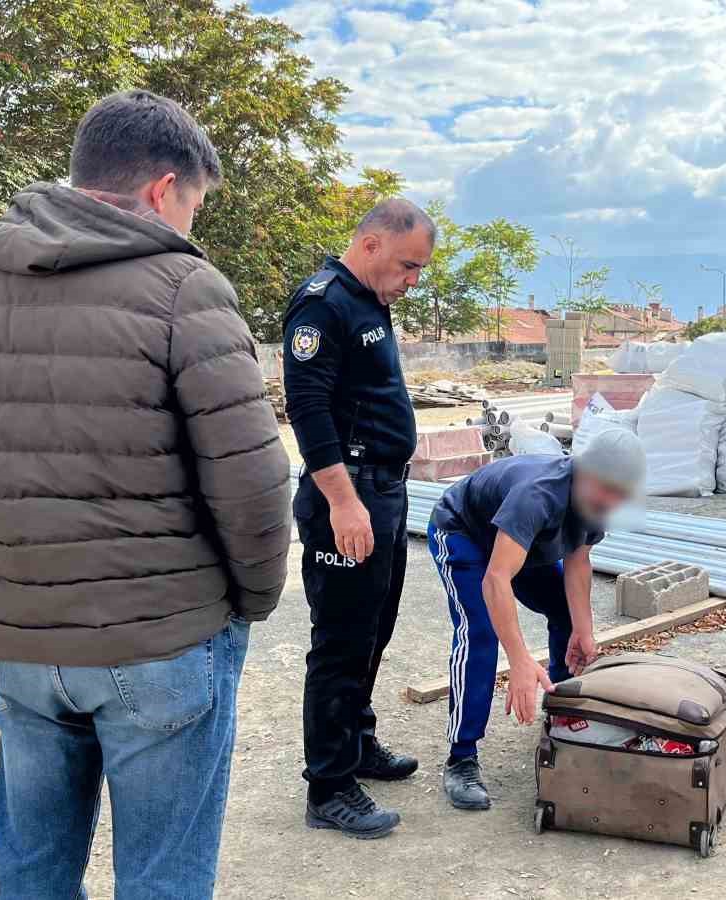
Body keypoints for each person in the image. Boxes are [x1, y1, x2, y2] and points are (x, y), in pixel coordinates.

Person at [0, 90, 290, 898]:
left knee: (34, 868)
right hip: (160, 640)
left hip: (21, 641)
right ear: (163, 189)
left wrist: (19, 569)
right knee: (162, 874)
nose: (191, 225)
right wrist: (248, 602)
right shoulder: (184, 287)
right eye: (193, 204)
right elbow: (254, 483)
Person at [283, 198, 433, 839]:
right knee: (342, 639)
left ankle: (357, 742)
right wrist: (344, 502)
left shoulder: (370, 300)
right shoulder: (323, 303)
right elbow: (308, 409)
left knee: (375, 627)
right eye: (407, 265)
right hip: (347, 497)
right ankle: (330, 784)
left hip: (385, 494)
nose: (412, 280)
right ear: (370, 243)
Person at [426, 429, 646, 810]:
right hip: (464, 533)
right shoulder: (538, 495)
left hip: (519, 544)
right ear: (585, 471)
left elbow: (578, 560)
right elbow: (496, 579)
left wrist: (583, 629)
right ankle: (461, 758)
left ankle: (561, 710)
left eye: (621, 493)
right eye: (607, 489)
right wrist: (520, 661)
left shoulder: (595, 501)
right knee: (479, 631)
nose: (612, 501)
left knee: (563, 609)